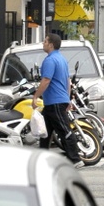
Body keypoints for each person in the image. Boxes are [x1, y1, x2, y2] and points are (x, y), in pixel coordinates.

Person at [31, 33, 84, 169]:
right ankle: (41, 161)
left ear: (51, 44)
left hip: (55, 101)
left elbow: (46, 80)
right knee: (45, 133)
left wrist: (36, 96)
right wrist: (67, 99)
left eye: (45, 41)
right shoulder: (61, 59)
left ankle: (75, 159)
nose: (43, 43)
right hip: (54, 102)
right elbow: (67, 81)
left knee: (64, 130)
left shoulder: (50, 60)